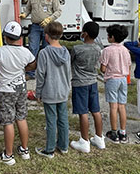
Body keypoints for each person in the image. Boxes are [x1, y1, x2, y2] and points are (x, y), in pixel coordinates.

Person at [0, 21, 36, 165]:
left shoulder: (0, 51)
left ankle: (8, 155)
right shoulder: (25, 52)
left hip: (5, 90)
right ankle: (24, 149)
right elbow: (32, 64)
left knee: (8, 121)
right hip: (21, 88)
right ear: (20, 37)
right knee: (21, 118)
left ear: (5, 37)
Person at [35, 21, 71, 158]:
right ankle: (64, 146)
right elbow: (68, 73)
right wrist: (67, 88)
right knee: (63, 119)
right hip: (62, 91)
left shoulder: (44, 53)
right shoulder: (66, 52)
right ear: (61, 35)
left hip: (49, 91)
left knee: (51, 121)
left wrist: (38, 92)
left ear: (46, 36)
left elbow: (40, 75)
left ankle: (49, 149)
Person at [70, 21, 105, 153]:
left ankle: (84, 141)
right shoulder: (98, 48)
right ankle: (99, 138)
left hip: (80, 83)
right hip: (93, 82)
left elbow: (71, 61)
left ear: (85, 33)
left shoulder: (77, 49)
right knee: (95, 110)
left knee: (83, 112)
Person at [20, 0, 62, 79]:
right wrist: (25, 14)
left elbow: (58, 11)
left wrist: (49, 19)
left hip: (48, 27)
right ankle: (31, 73)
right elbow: (28, 8)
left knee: (46, 49)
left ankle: (45, 73)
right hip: (35, 26)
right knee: (33, 48)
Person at [99, 24, 131, 144]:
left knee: (113, 106)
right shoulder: (125, 50)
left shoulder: (107, 50)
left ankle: (114, 131)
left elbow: (103, 68)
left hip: (112, 79)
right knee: (122, 106)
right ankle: (123, 132)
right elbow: (128, 66)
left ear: (112, 37)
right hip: (123, 79)